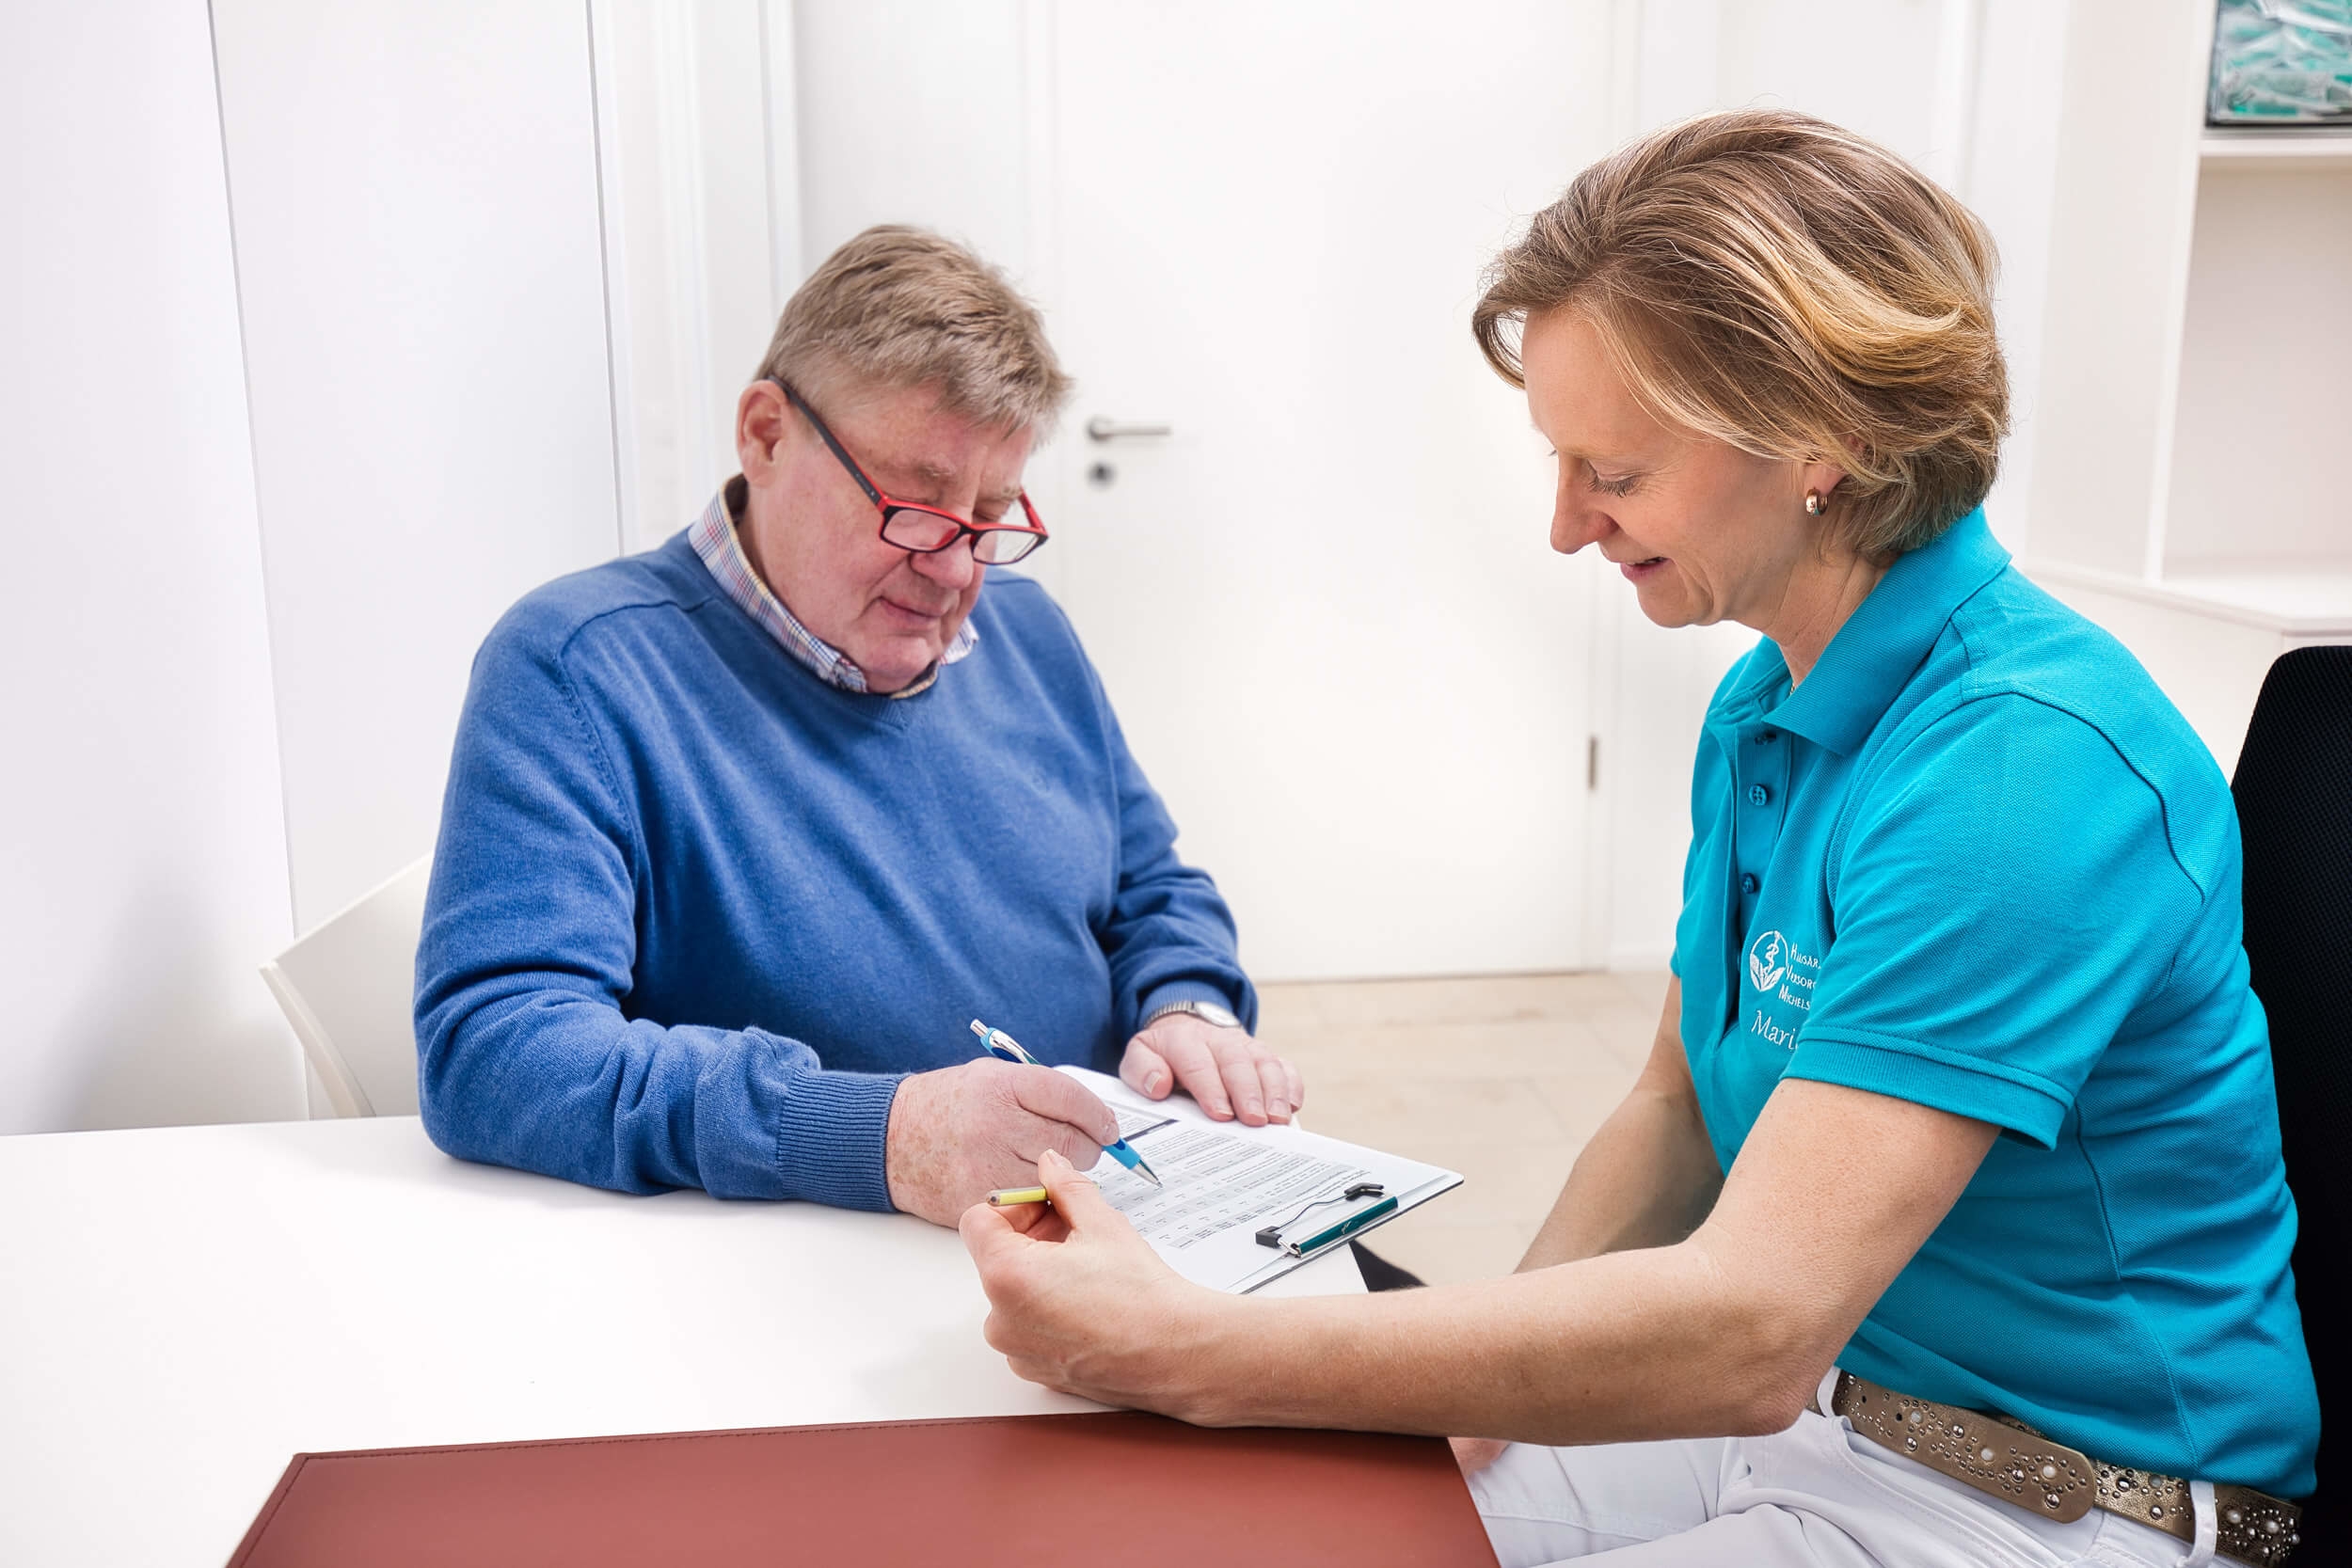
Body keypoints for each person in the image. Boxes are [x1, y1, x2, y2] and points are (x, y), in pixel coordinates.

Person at [961, 111, 2317, 1566]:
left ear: (1829, 438)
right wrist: (1464, 1400)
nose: (1563, 525)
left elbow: (1749, 1321)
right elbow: (1676, 1109)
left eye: (1612, 470)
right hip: (1821, 1413)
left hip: (2056, 1502)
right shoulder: (1767, 703)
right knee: (1257, 1514)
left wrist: (1190, 1348)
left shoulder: (2024, 768)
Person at [414, 225, 1303, 1226]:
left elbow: (1150, 884)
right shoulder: (578, 667)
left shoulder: (1028, 629)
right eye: (915, 507)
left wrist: (1186, 1004)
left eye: (990, 516)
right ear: (765, 432)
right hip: (832, 1278)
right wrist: (874, 1135)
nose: (958, 568)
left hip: (1128, 1219)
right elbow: (493, 1052)